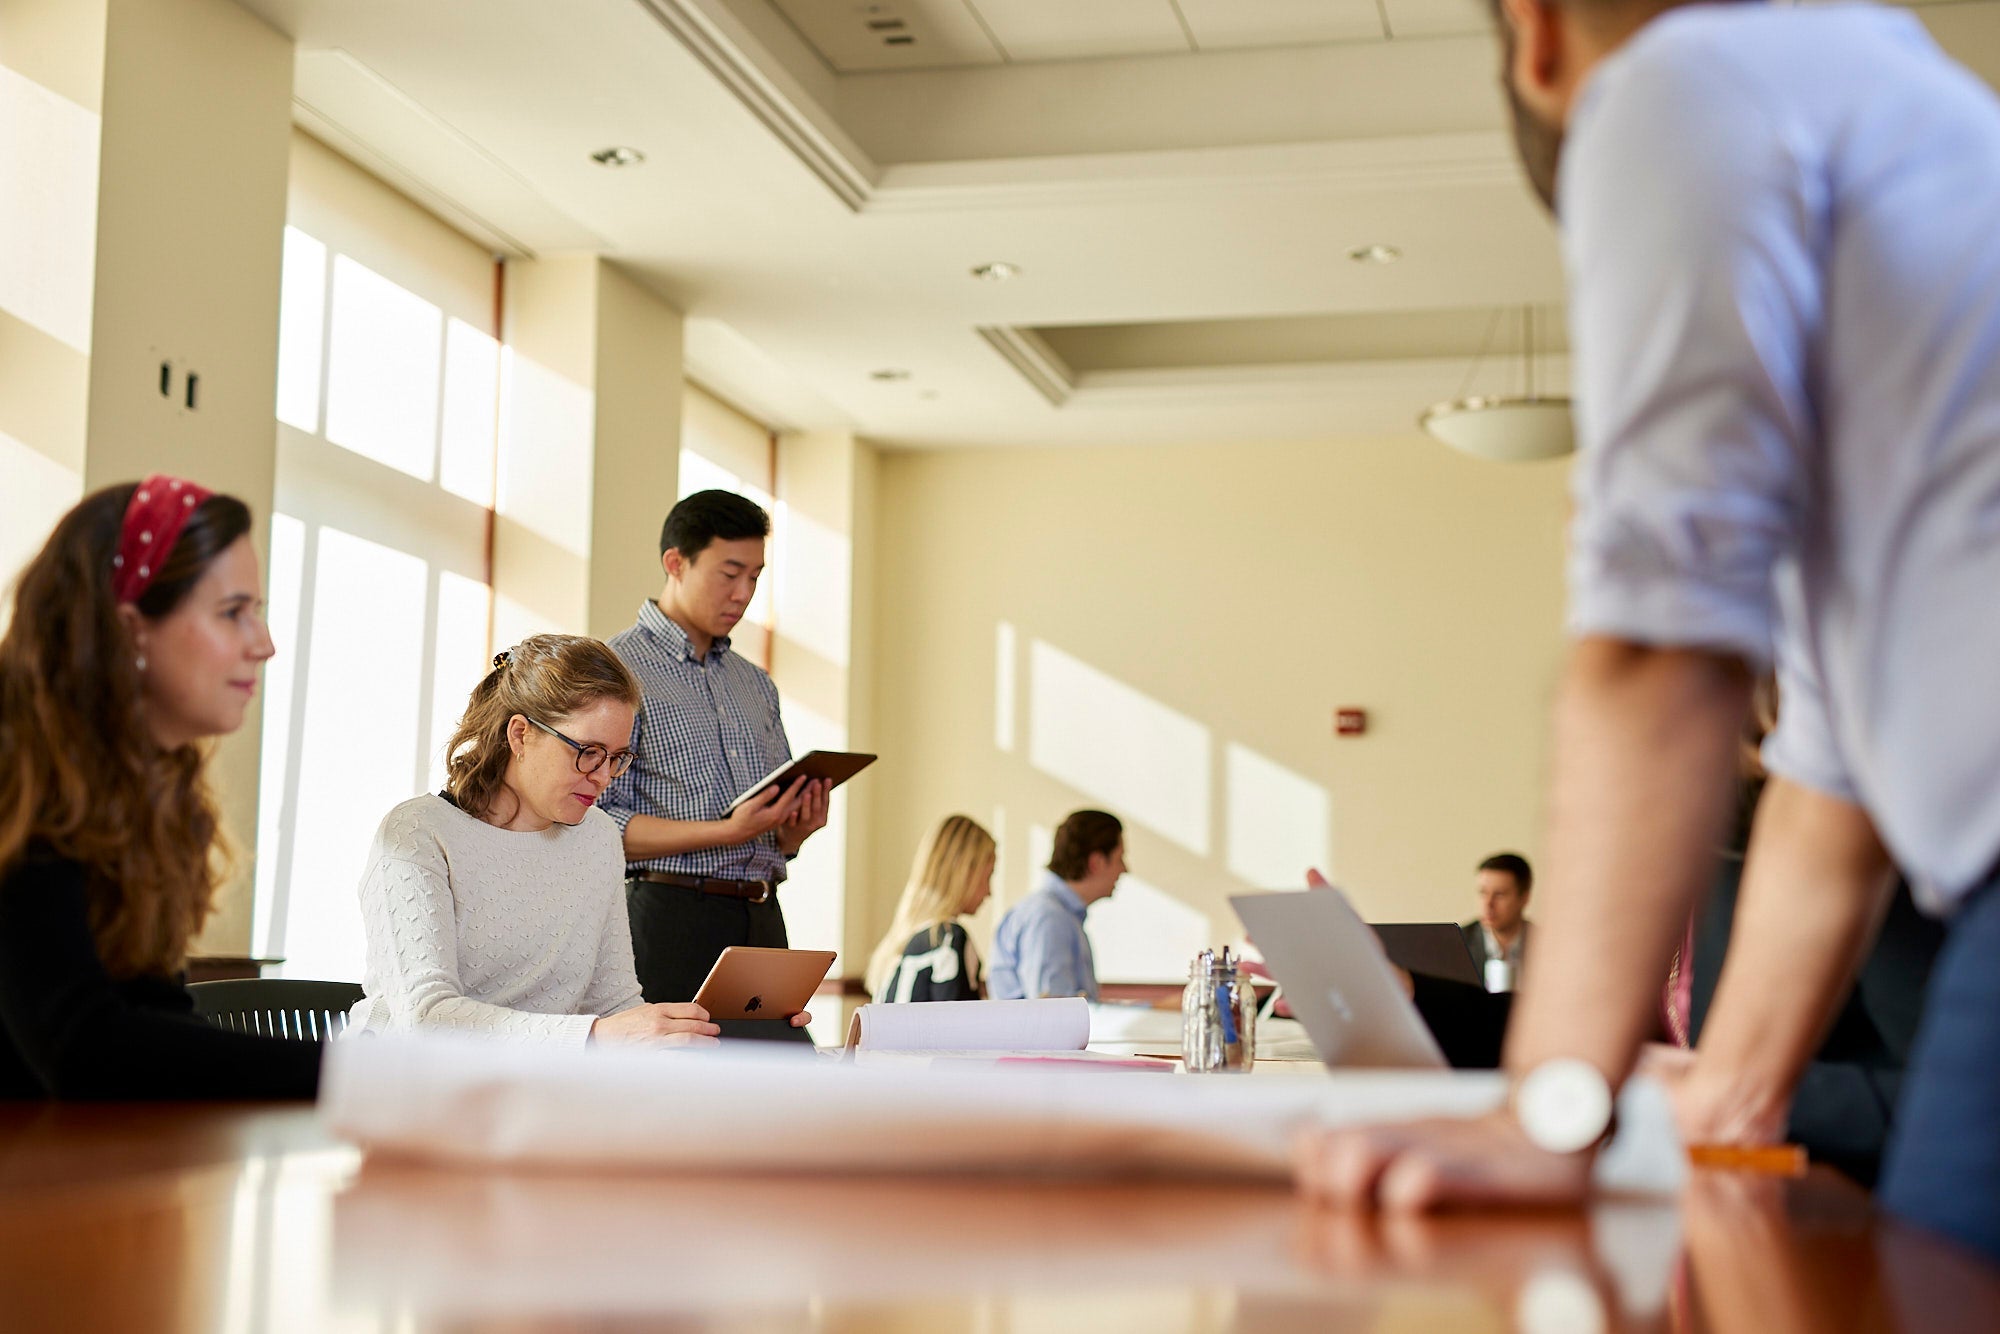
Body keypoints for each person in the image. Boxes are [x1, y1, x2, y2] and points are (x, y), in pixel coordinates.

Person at [1294, 0, 2000, 1263]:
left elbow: (1657, 651)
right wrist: (1728, 1083)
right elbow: (1825, 792)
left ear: (1535, 32)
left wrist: (1547, 1114)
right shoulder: (1884, 106)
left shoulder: (1678, 80)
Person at [0, 477, 321, 1099]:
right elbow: (83, 1045)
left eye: (258, 610)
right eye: (233, 612)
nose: (265, 644)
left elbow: (155, 1015)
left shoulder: (148, 791)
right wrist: (362, 1076)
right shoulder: (20, 778)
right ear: (130, 629)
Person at [350, 634, 747, 1046]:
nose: (604, 777)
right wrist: (595, 1037)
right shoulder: (417, 833)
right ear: (520, 735)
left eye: (616, 758)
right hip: (400, 1084)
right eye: (588, 751)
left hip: (538, 1086)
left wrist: (705, 1029)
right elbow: (427, 1018)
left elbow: (615, 1003)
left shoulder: (598, 837)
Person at [599, 490, 831, 1006]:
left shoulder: (756, 685)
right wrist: (726, 831)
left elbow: (772, 825)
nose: (744, 593)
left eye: (755, 576)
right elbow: (593, 824)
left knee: (784, 1080)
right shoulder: (615, 670)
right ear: (675, 563)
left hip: (762, 915)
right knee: (670, 1084)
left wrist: (792, 833)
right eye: (730, 574)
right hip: (668, 918)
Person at [988, 810, 1125, 1002]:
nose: (1125, 869)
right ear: (1096, 862)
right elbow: (1055, 1014)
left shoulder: (1055, 915)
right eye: (1120, 858)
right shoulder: (1049, 918)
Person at [864, 815, 996, 1003]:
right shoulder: (949, 939)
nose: (989, 892)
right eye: (988, 876)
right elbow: (958, 1027)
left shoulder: (900, 942)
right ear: (965, 872)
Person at [1460, 852, 1532, 988]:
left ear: (1524, 898)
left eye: (1499, 894)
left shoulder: (1548, 945)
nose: (1488, 904)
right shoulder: (1459, 944)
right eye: (1483, 893)